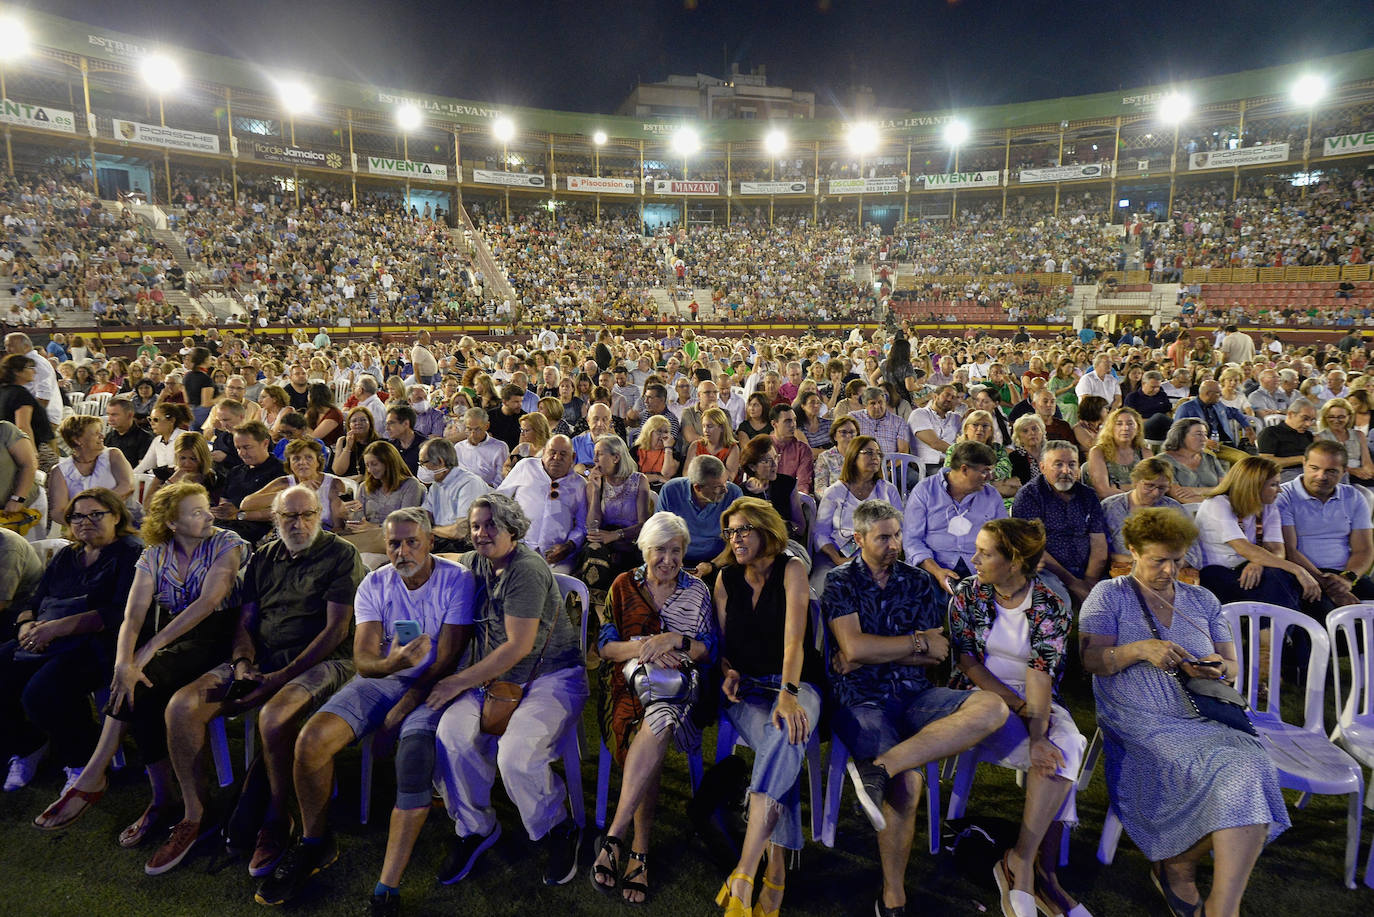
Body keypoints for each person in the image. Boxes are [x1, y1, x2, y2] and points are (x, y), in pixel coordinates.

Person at [254, 507, 474, 907]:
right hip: (384, 679)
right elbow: (364, 661)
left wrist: (400, 709)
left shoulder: (456, 580)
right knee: (311, 740)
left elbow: (449, 658)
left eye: (412, 542)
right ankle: (314, 841)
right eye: (393, 543)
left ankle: (388, 884)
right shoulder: (375, 584)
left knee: (411, 752)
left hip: (436, 686)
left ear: (430, 543)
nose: (402, 551)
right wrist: (393, 664)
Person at [1079, 507, 1289, 917]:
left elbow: (1231, 666)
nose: (1170, 570)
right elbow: (1090, 660)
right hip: (1137, 712)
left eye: (1178, 560)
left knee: (1252, 767)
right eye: (1159, 560)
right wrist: (1139, 649)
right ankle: (1181, 867)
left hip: (1200, 712)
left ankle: (1215, 901)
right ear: (1134, 551)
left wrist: (1212, 663)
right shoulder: (1110, 595)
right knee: (1234, 770)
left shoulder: (1204, 599)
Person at [146, 486, 365, 875]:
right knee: (183, 706)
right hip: (263, 658)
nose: (299, 524)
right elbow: (246, 621)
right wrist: (244, 660)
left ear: (320, 514)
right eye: (289, 517)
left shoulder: (339, 554)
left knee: (274, 716)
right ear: (275, 519)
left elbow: (335, 632)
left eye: (307, 514)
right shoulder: (265, 556)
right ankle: (197, 815)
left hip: (323, 661)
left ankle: (277, 817)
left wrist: (279, 677)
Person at [824, 499, 1008, 917]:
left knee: (992, 708)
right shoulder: (839, 581)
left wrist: (874, 651)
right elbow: (853, 650)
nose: (894, 544)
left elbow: (937, 654)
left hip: (916, 695)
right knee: (908, 786)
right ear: (859, 539)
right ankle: (893, 894)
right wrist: (911, 644)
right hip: (861, 699)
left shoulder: (918, 582)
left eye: (897, 535)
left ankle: (879, 767)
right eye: (884, 537)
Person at [33, 484, 246, 843]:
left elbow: (208, 603)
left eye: (206, 508)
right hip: (173, 638)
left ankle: (103, 776)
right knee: (136, 686)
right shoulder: (153, 554)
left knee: (143, 678)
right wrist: (123, 664)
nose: (209, 515)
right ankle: (159, 797)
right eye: (197, 512)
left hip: (219, 636)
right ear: (173, 523)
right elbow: (132, 616)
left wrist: (144, 654)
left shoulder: (226, 542)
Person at [425, 494, 588, 888]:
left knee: (517, 754)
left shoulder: (526, 569)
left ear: (512, 528)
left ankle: (556, 828)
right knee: (450, 736)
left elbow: (517, 646)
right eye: (476, 525)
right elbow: (447, 562)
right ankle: (475, 828)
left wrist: (455, 681)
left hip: (550, 676)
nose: (481, 533)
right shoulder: (480, 560)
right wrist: (408, 555)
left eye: (491, 525)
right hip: (494, 681)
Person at [951, 518, 1090, 917]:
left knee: (1066, 746)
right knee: (1058, 750)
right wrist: (1016, 706)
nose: (974, 558)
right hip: (983, 695)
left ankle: (1022, 861)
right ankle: (1040, 876)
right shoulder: (969, 592)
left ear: (1013, 562)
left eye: (986, 552)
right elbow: (966, 660)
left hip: (1036, 695)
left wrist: (1039, 732)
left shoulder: (1050, 601)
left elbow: (1040, 673)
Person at [590, 512, 716, 904]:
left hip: (681, 686)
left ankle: (617, 836)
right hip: (626, 684)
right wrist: (649, 648)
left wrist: (673, 641)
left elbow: (705, 649)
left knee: (659, 716)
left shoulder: (697, 590)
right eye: (660, 550)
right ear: (645, 549)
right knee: (653, 727)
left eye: (675, 550)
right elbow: (606, 648)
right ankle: (638, 850)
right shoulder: (622, 585)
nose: (668, 559)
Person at [712, 497, 822, 917]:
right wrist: (726, 670)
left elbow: (795, 640)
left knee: (784, 735)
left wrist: (789, 693)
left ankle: (745, 869)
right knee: (786, 747)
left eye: (743, 530)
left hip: (797, 683)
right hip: (749, 690)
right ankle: (774, 871)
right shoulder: (725, 579)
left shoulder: (792, 569)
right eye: (731, 532)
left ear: (766, 531)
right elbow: (722, 646)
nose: (735, 539)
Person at [2, 490, 141, 794]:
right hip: (45, 635)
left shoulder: (130, 552)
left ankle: (82, 760)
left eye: (96, 514)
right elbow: (36, 597)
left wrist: (54, 630)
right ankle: (28, 746)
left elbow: (118, 613)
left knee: (41, 692)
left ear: (116, 516)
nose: (85, 522)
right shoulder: (69, 554)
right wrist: (26, 626)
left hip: (100, 644)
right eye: (77, 516)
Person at [1194, 455, 1316, 611]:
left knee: (1279, 578)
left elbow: (1278, 550)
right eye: (1274, 485)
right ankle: (1281, 633)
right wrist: (1298, 569)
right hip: (1215, 573)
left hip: (1246, 569)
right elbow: (1243, 548)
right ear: (1254, 486)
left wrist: (1258, 562)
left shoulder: (1267, 506)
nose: (1280, 489)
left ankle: (1278, 632)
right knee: (1281, 580)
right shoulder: (1217, 504)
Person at [1277, 441, 1374, 617]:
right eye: (1314, 468)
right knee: (1330, 618)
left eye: (1331, 471)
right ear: (1304, 464)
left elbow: (1364, 549)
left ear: (1344, 471)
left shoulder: (1353, 496)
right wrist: (1327, 584)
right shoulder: (1284, 496)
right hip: (1302, 575)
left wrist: (1348, 579)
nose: (1321, 476)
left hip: (1344, 575)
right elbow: (1288, 550)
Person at [1010, 441, 1109, 608]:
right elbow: (1034, 548)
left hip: (1089, 570)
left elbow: (1098, 543)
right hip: (1048, 572)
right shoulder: (1029, 496)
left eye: (1072, 464)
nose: (1066, 471)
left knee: (1117, 600)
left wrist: (1089, 582)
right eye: (1058, 464)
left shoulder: (1088, 495)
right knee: (1058, 604)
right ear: (1042, 467)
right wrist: (1074, 584)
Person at [904, 441, 1009, 594]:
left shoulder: (991, 495)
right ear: (964, 469)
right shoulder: (925, 491)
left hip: (979, 568)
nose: (989, 476)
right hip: (933, 566)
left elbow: (1003, 537)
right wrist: (937, 571)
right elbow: (912, 540)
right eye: (985, 471)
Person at [812, 435, 903, 592]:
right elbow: (821, 533)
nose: (875, 457)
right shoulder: (835, 492)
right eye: (868, 452)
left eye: (878, 453)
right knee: (822, 586)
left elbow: (901, 528)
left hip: (879, 556)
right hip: (836, 554)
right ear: (853, 457)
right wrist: (837, 559)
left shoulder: (888, 490)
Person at [580, 434, 651, 617]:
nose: (594, 460)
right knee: (594, 549)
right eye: (593, 454)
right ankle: (601, 616)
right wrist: (595, 491)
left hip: (632, 539)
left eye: (599, 454)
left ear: (616, 457)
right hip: (605, 542)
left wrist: (616, 535)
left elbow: (644, 524)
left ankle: (619, 618)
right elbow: (592, 526)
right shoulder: (597, 482)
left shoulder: (638, 480)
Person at [494, 434, 586, 571]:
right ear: (544, 452)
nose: (556, 458)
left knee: (556, 586)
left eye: (563, 454)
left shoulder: (579, 484)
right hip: (518, 546)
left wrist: (569, 546)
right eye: (552, 452)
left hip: (556, 556)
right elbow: (499, 499)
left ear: (572, 458)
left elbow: (582, 525)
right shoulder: (526, 466)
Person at [1101, 458, 1202, 573]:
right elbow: (1097, 550)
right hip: (1120, 571)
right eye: (1149, 486)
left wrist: (1164, 564)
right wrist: (1132, 560)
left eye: (1162, 488)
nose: (1155, 493)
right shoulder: (1110, 507)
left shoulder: (1173, 509)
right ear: (1135, 482)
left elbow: (1194, 556)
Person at [657, 455, 742, 579]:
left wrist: (712, 565)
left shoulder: (734, 493)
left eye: (726, 483)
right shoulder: (671, 490)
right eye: (718, 487)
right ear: (697, 487)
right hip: (677, 560)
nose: (725, 490)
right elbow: (661, 534)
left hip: (719, 562)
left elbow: (736, 541)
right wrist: (673, 561)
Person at [240, 439, 348, 534]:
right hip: (289, 537)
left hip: (324, 538)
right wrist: (292, 491)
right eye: (296, 459)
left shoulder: (333, 484)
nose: (302, 462)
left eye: (309, 457)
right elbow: (246, 504)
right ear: (289, 464)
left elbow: (339, 527)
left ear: (318, 462)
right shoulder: (283, 483)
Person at [208, 421, 286, 545]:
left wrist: (240, 514)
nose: (242, 453)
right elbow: (225, 502)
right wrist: (220, 512)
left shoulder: (281, 472)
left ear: (265, 443)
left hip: (256, 529)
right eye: (238, 448)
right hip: (226, 525)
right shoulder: (235, 472)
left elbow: (281, 512)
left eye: (247, 447)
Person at [343, 441, 427, 554]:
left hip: (395, 538)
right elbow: (359, 520)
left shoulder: (411, 485)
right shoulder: (364, 487)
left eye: (374, 464)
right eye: (367, 465)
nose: (370, 470)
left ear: (388, 462)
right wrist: (349, 514)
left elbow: (406, 522)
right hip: (366, 537)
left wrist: (375, 527)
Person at [50, 414, 135, 522]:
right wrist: (81, 524)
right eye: (96, 433)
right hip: (80, 527)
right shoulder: (60, 471)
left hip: (119, 521)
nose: (102, 436)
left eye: (101, 432)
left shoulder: (113, 455)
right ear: (77, 440)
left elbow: (128, 486)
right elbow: (58, 511)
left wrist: (94, 509)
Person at [418, 437, 490, 552]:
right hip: (441, 541)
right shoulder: (436, 486)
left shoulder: (468, 483)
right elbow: (425, 515)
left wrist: (431, 530)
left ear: (440, 462)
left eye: (423, 463)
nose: (421, 468)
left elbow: (462, 531)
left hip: (465, 547)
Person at [737, 434, 806, 545]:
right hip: (753, 548)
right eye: (767, 461)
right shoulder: (741, 493)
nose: (774, 464)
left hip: (784, 544)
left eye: (775, 457)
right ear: (752, 466)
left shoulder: (787, 483)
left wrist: (775, 523)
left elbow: (800, 528)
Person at [0, 353, 56, 470]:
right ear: (17, 371)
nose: (34, 371)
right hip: (30, 447)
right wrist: (32, 454)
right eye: (30, 367)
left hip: (8, 448)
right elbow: (23, 426)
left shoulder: (4, 391)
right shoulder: (20, 394)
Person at [947, 410, 1020, 498]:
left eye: (985, 426)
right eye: (975, 425)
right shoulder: (955, 449)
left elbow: (1005, 468)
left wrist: (980, 475)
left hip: (999, 499)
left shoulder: (998, 449)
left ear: (991, 431)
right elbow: (950, 474)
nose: (980, 429)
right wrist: (999, 482)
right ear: (966, 429)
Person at [1176, 381, 1253, 462]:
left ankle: (1232, 475)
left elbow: (1235, 412)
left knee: (1244, 458)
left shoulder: (1218, 405)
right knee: (1210, 457)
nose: (1221, 395)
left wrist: (1248, 428)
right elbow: (1178, 433)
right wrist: (1203, 441)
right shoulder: (1186, 408)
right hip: (1197, 446)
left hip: (1219, 445)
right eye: (1218, 393)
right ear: (1208, 393)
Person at [143, 431, 222, 510]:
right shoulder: (164, 474)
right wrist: (172, 481)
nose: (187, 464)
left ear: (202, 458)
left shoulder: (212, 478)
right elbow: (148, 506)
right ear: (176, 456)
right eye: (183, 458)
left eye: (193, 459)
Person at [1158, 418, 1229, 504]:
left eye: (1205, 434)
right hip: (1184, 513)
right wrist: (1216, 498)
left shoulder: (1209, 458)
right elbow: (1180, 497)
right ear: (1181, 436)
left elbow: (1225, 487)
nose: (1204, 439)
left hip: (1218, 508)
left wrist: (1196, 491)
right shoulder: (1163, 461)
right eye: (1198, 434)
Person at [1084, 407, 1148, 500]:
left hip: (1143, 504)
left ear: (1138, 428)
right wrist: (1136, 491)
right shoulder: (1098, 452)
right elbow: (1103, 492)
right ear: (1111, 428)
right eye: (1119, 424)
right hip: (1110, 505)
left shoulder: (1145, 452)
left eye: (1130, 424)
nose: (1125, 428)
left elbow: (1152, 486)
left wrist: (1119, 487)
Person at [1315, 397, 1374, 486]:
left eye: (1341, 417)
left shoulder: (1359, 435)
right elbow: (1324, 463)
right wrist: (1351, 471)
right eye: (1331, 417)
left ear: (1349, 417)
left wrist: (1369, 472)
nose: (1336, 420)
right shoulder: (1320, 437)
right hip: (1335, 478)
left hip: (1359, 477)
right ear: (1325, 418)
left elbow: (1367, 461)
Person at [1258, 397, 1316, 483]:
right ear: (1290, 414)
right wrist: (1302, 458)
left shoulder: (1308, 435)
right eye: (1305, 418)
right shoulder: (1271, 432)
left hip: (1308, 471)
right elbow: (1266, 462)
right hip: (1281, 473)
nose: (1308, 424)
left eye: (1312, 420)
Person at [909, 384, 963, 476]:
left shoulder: (956, 418)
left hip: (951, 463)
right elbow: (935, 443)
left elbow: (969, 435)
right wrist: (964, 454)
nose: (949, 399)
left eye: (953, 397)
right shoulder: (919, 414)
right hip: (926, 465)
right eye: (946, 395)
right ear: (935, 396)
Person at [456, 406, 510, 486]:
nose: (473, 434)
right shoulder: (458, 448)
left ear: (487, 426)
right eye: (469, 429)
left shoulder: (499, 447)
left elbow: (501, 480)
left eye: (477, 429)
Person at [134, 402, 192, 476]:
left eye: (156, 420)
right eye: (150, 419)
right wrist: (129, 478)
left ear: (171, 420)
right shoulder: (156, 441)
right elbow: (144, 466)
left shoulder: (185, 438)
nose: (151, 423)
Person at [853, 386, 911, 457]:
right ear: (865, 405)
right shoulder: (854, 418)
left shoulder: (899, 422)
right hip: (861, 464)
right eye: (873, 403)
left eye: (880, 402)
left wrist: (886, 466)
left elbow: (903, 452)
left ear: (885, 402)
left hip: (891, 465)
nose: (877, 406)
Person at [813, 414, 860, 494]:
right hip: (837, 501)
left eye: (852, 432)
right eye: (843, 432)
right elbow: (819, 488)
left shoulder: (863, 455)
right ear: (835, 436)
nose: (848, 436)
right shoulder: (825, 457)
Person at [692, 407, 741, 483]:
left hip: (723, 488)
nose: (705, 430)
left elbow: (730, 478)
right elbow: (686, 473)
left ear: (721, 427)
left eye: (710, 426)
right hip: (700, 486)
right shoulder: (695, 445)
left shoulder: (733, 448)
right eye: (703, 426)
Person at [632, 415, 680, 488]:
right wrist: (658, 477)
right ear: (648, 432)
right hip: (639, 489)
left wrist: (668, 448)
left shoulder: (672, 453)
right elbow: (631, 477)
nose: (663, 436)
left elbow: (667, 474)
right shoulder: (635, 451)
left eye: (666, 432)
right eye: (659, 431)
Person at [305, 383, 345, 451]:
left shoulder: (334, 414)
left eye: (309, 394)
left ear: (312, 397)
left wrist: (302, 426)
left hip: (329, 450)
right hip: (313, 447)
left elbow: (314, 437)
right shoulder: (313, 411)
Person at [1071, 395, 1108, 462]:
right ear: (1096, 410)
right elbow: (1092, 445)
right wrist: (1103, 427)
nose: (1108, 411)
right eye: (1105, 408)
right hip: (1089, 463)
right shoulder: (1078, 428)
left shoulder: (1104, 427)